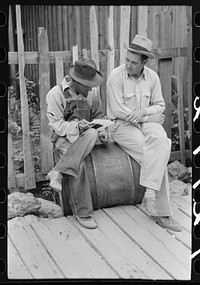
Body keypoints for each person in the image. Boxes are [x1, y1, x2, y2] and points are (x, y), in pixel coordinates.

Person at [106, 34, 182, 232]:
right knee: (155, 153)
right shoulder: (115, 76)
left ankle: (149, 194)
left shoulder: (153, 78)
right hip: (122, 126)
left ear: (144, 62)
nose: (128, 65)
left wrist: (145, 113)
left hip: (144, 121)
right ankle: (164, 213)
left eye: (133, 63)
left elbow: (160, 105)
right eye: (127, 60)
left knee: (162, 142)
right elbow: (117, 110)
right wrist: (147, 117)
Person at [46, 58, 111, 229]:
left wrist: (103, 130)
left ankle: (57, 171)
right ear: (75, 81)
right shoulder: (56, 94)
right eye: (87, 84)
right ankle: (83, 213)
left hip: (88, 136)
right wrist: (75, 126)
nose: (90, 88)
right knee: (78, 164)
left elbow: (99, 116)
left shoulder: (93, 93)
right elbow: (57, 125)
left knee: (91, 132)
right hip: (64, 138)